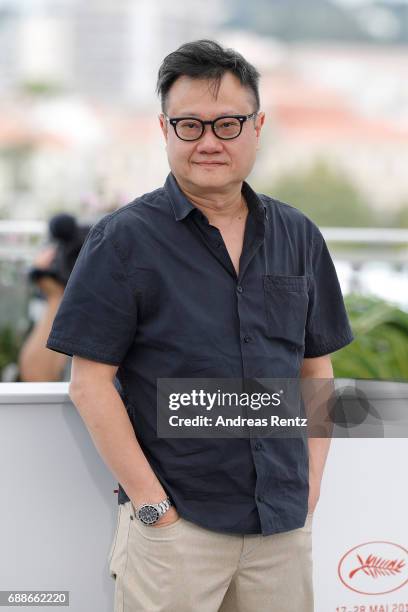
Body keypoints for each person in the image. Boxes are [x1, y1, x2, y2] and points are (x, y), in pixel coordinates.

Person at [46, 39, 354, 612]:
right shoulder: (123, 240)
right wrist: (153, 507)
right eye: (189, 125)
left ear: (257, 126)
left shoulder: (299, 237)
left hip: (282, 529)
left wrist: (309, 485)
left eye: (228, 124)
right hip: (177, 533)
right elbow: (89, 383)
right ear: (163, 128)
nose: (209, 141)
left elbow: (316, 367)